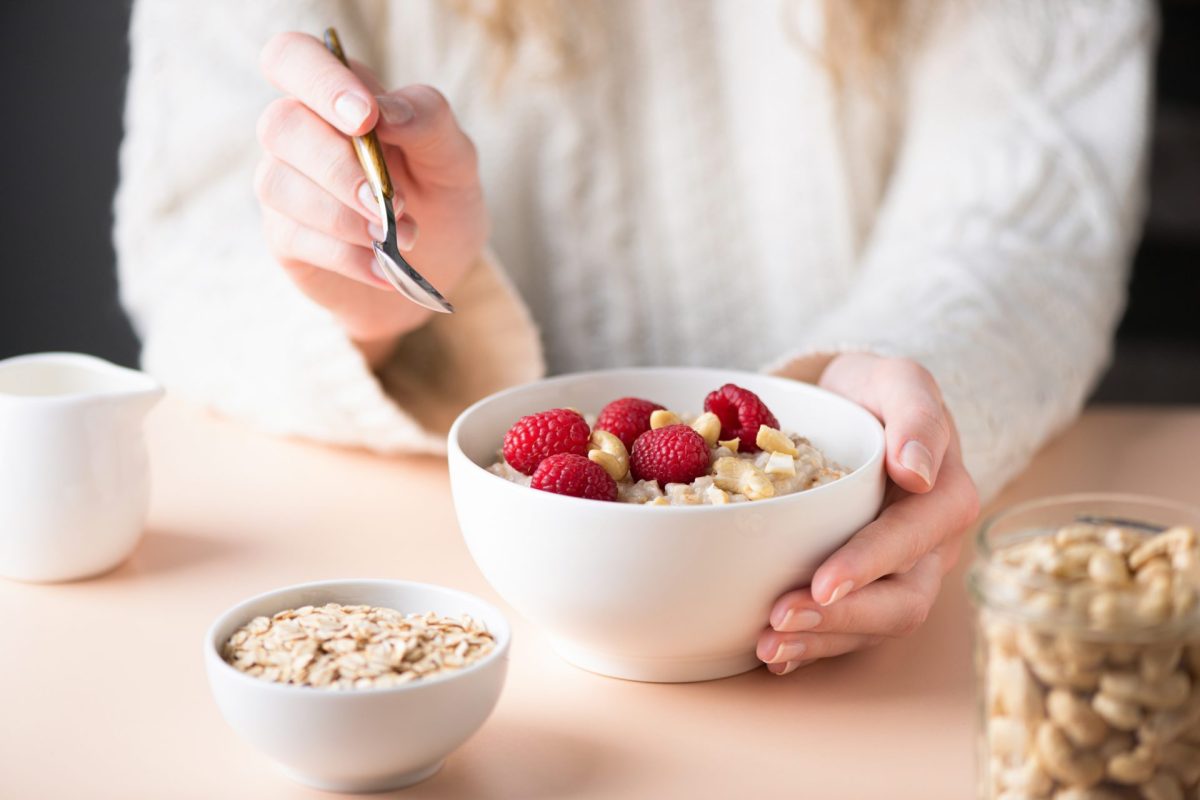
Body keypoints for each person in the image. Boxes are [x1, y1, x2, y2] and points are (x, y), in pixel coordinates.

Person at [115, 0, 1154, 675]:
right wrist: (375, 293)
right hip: (469, 615)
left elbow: (1024, 222)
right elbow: (194, 249)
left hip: (863, 651)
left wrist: (888, 389)